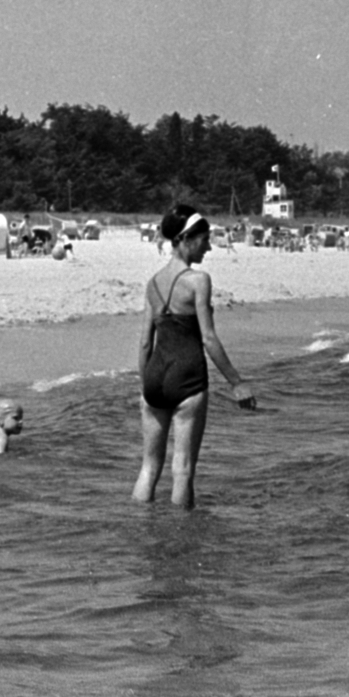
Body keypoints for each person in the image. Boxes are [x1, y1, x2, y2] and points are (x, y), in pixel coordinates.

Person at [133, 205, 257, 509]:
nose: (209, 247)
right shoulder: (198, 281)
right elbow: (208, 338)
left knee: (149, 468)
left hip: (153, 378)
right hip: (187, 377)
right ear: (186, 239)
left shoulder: (153, 283)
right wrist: (236, 382)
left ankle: (137, 530)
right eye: (204, 240)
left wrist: (144, 384)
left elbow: (145, 342)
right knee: (183, 469)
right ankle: (183, 542)